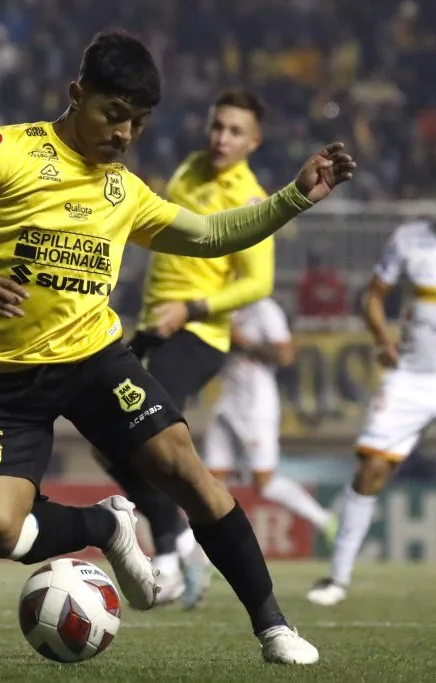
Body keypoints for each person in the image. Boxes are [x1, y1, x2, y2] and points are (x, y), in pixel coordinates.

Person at [0, 31, 355, 664]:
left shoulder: (123, 189)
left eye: (137, 122)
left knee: (182, 464)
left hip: (92, 361)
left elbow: (210, 232)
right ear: (77, 95)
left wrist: (296, 196)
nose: (124, 134)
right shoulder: (3, 151)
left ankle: (273, 626)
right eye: (114, 115)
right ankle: (105, 525)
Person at [102, 90, 276, 609]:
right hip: (156, 327)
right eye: (217, 126)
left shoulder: (250, 198)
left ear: (254, 142)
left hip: (199, 335)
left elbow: (257, 283)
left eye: (235, 131)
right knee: (108, 441)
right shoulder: (189, 169)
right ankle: (180, 544)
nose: (222, 137)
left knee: (145, 438)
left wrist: (192, 308)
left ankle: (174, 557)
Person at [307, 219, 436, 606]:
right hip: (413, 376)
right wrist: (383, 338)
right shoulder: (409, 237)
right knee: (371, 469)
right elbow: (374, 297)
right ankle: (338, 578)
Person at [203, 298, 335, 550]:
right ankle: (204, 553)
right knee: (209, 482)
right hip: (226, 401)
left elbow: (285, 355)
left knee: (265, 483)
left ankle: (325, 520)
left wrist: (244, 342)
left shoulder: (264, 309)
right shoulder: (221, 303)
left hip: (256, 405)